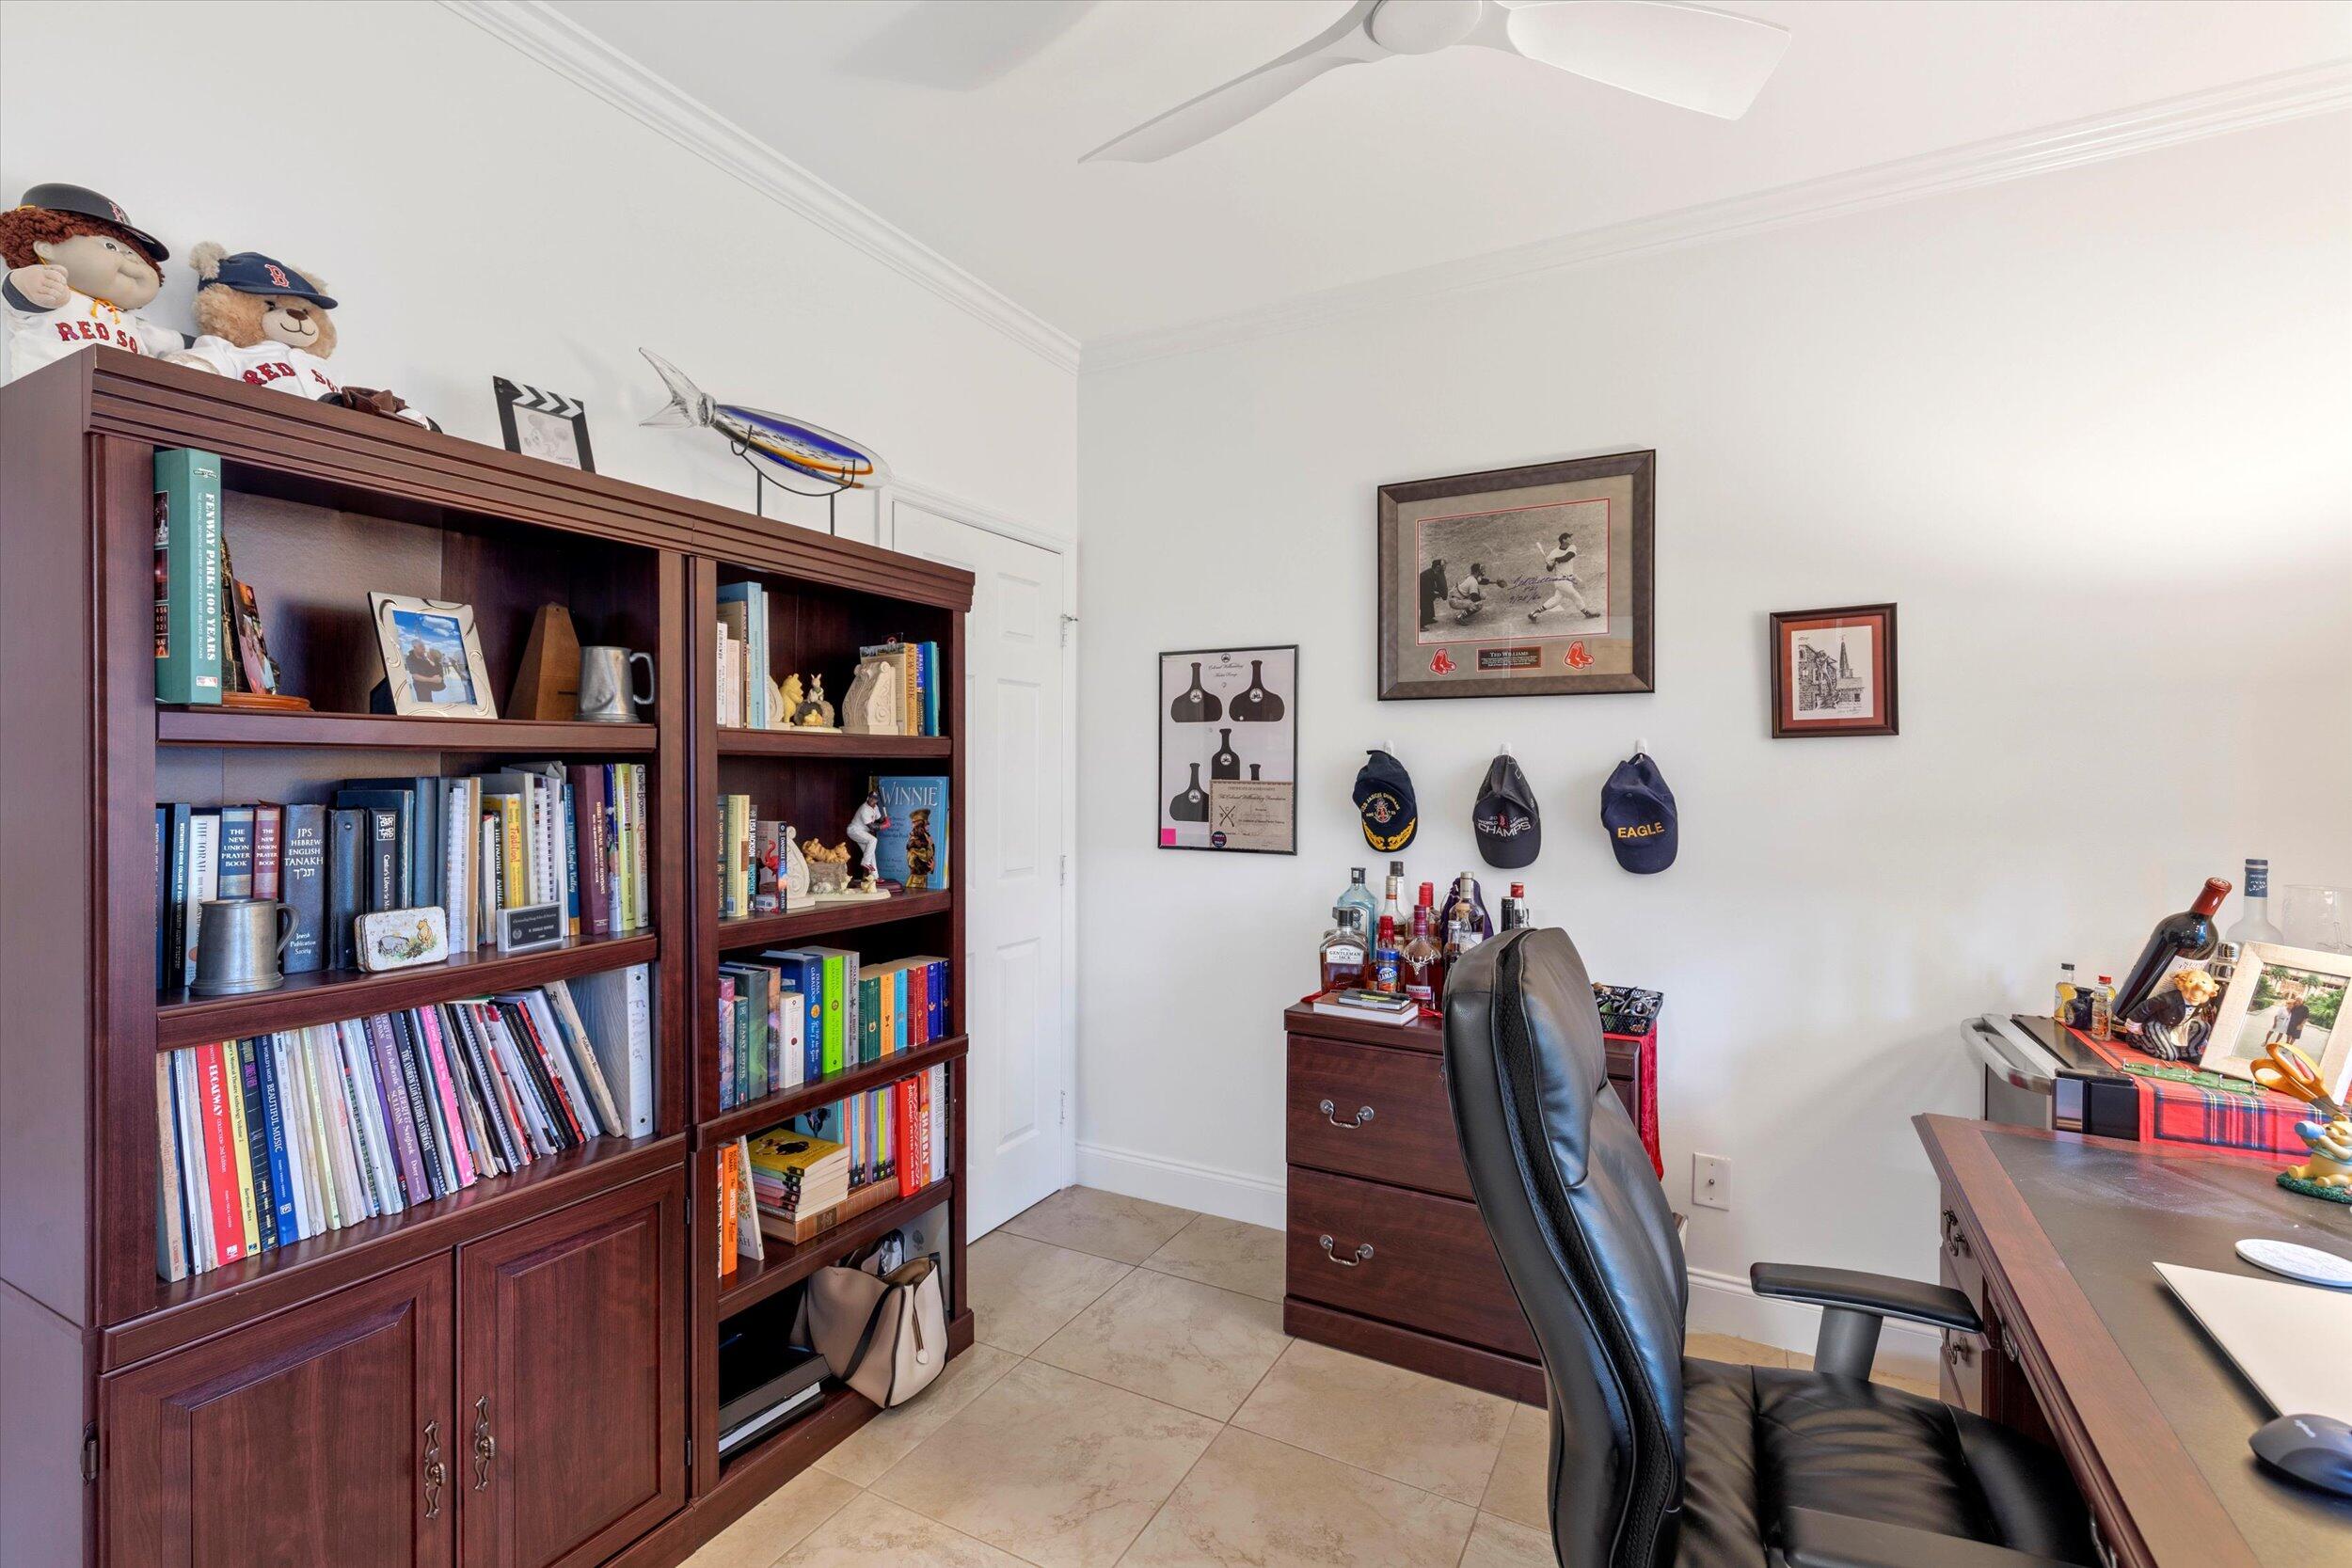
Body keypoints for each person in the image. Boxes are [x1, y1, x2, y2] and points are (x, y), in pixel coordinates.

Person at [1529, 531, 1594, 621]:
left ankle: (1534, 613)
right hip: (1561, 581)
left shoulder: (1571, 547)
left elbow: (1567, 557)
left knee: (1556, 599)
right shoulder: (1554, 552)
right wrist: (1550, 564)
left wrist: (1554, 560)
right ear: (1564, 540)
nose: (1571, 539)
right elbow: (1549, 569)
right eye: (1569, 537)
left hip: (1568, 580)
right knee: (1576, 596)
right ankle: (1587, 614)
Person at [1419, 556, 1447, 629]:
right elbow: (1427, 591)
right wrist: (1436, 594)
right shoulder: (1427, 576)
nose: (1444, 567)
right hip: (1419, 591)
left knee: (1430, 602)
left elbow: (1434, 585)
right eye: (1443, 566)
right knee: (1425, 605)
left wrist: (1438, 592)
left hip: (1425, 589)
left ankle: (1429, 618)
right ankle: (1420, 625)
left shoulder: (1434, 572)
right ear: (1438, 567)